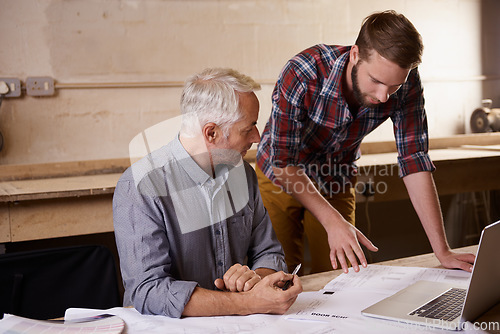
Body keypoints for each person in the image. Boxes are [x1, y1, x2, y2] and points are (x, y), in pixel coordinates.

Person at [256, 10, 476, 275]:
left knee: (344, 277)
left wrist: (442, 251)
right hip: (280, 174)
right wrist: (332, 221)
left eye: (393, 86)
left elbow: (414, 160)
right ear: (355, 55)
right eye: (376, 81)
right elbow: (282, 162)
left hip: (336, 176)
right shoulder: (303, 72)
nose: (384, 96)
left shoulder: (406, 84)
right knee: (279, 275)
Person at [113, 68, 302, 318]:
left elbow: (268, 252)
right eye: (249, 128)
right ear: (211, 133)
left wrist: (256, 279)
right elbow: (148, 290)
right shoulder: (139, 186)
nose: (257, 137)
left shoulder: (243, 173)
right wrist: (249, 303)